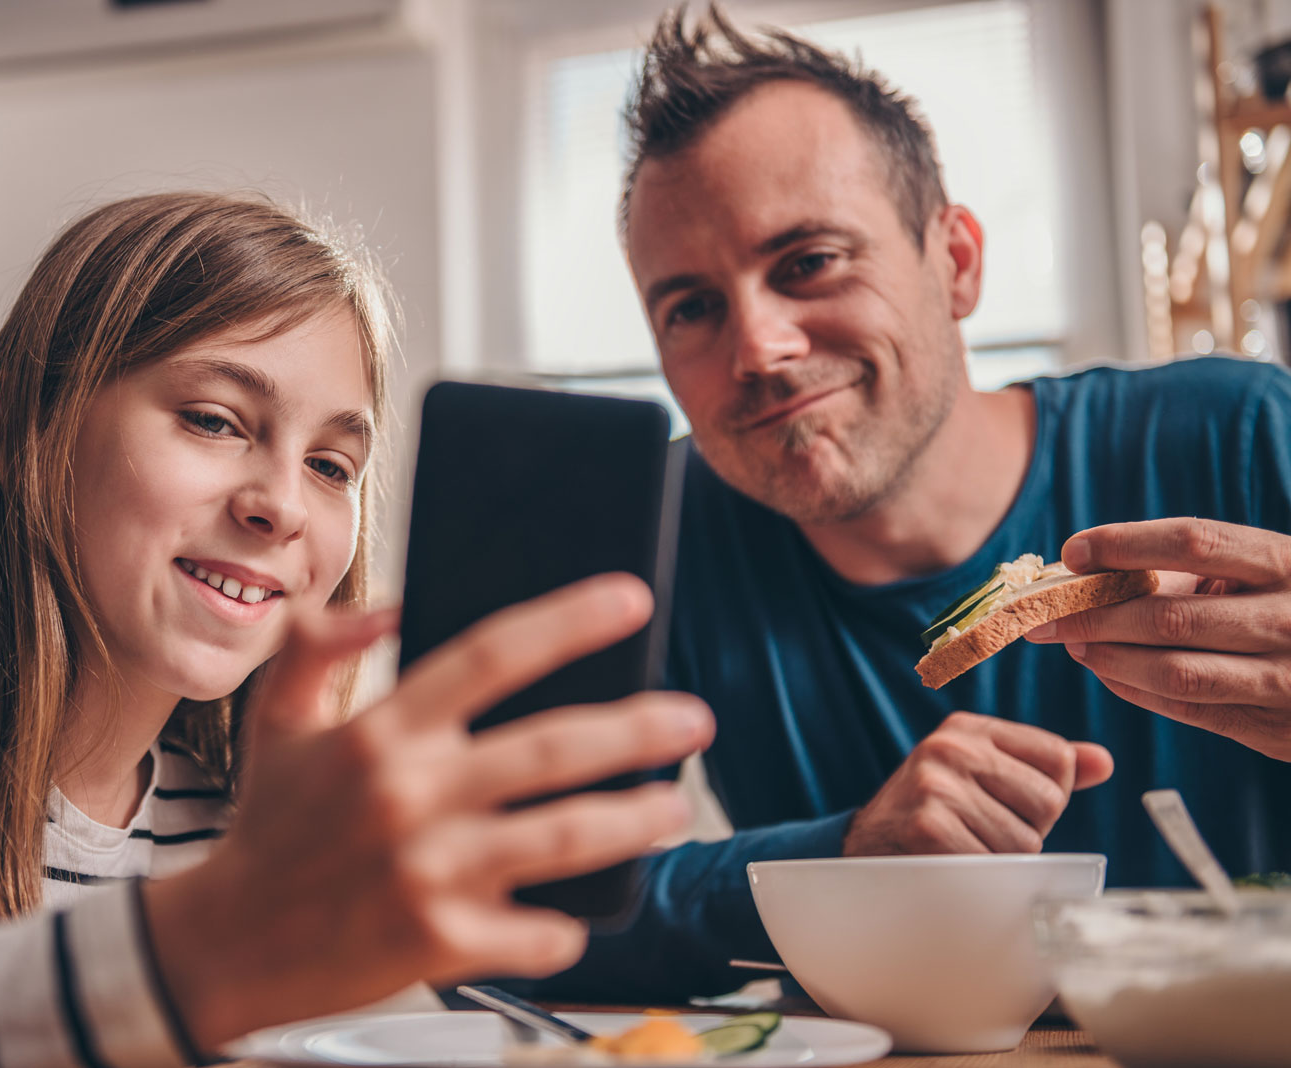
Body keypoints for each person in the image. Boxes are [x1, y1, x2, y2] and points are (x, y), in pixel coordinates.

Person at [0, 191, 715, 1065]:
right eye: (215, 420)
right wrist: (186, 956)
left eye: (330, 465)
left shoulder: (212, 813)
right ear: (19, 430)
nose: (280, 505)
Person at [524, 5, 1291, 1002]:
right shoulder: (653, 532)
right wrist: (835, 860)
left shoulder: (1238, 438)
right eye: (691, 308)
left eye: (808, 263)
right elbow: (506, 921)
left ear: (957, 263)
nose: (758, 349)